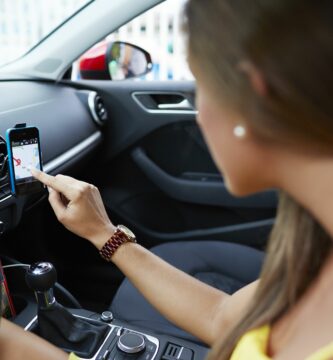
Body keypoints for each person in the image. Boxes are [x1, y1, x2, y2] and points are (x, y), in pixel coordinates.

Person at [3, 0, 333, 358]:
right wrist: (102, 232)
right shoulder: (313, 241)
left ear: (255, 89)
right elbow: (222, 317)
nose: (200, 116)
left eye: (201, 85)